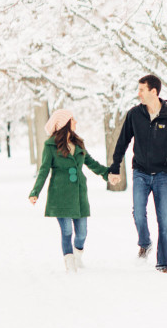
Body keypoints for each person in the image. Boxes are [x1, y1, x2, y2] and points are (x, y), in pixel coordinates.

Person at [108, 74, 167, 273]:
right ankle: (145, 242)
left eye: (142, 89)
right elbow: (122, 142)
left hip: (163, 175)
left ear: (154, 91)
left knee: (165, 221)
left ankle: (162, 263)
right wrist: (115, 167)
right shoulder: (135, 114)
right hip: (141, 172)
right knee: (139, 214)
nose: (139, 93)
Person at [29, 109, 110, 273]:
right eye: (73, 119)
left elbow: (91, 162)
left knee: (82, 233)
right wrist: (35, 191)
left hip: (79, 194)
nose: (76, 121)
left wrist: (107, 173)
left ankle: (77, 255)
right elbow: (44, 170)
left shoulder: (79, 143)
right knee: (66, 231)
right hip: (60, 195)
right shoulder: (50, 146)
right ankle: (69, 261)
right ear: (64, 123)